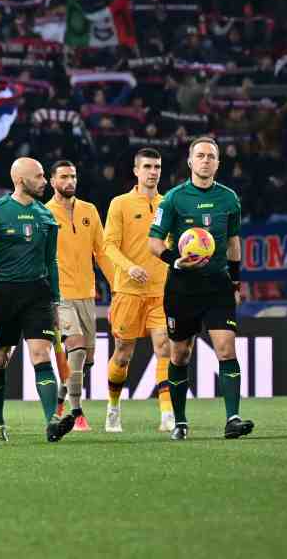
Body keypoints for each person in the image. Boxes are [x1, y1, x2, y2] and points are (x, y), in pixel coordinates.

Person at [148, 137, 253, 441]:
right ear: (191, 162)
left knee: (226, 348)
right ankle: (180, 421)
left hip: (218, 284)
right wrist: (175, 261)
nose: (206, 160)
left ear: (218, 163)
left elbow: (233, 243)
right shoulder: (173, 199)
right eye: (200, 156)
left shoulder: (230, 199)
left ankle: (233, 418)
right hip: (182, 287)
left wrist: (235, 281)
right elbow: (154, 242)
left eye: (211, 156)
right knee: (180, 355)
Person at [0, 158, 74, 443]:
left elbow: (51, 261)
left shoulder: (46, 217)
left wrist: (56, 302)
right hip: (3, 294)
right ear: (20, 179)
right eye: (39, 176)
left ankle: (51, 421)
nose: (45, 181)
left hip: (37, 294)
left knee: (41, 354)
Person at [103, 149, 173, 433]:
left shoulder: (170, 203)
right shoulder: (120, 204)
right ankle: (113, 407)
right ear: (136, 171)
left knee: (165, 347)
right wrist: (129, 267)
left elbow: (174, 241)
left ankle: (167, 413)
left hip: (161, 291)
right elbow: (108, 245)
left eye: (157, 166)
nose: (153, 171)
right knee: (123, 354)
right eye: (147, 166)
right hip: (128, 291)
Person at [44, 160, 116, 433]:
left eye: (73, 176)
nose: (70, 181)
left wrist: (116, 286)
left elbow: (101, 251)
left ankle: (61, 402)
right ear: (52, 181)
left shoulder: (89, 211)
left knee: (86, 359)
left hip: (87, 293)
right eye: (63, 177)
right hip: (59, 295)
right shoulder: (44, 213)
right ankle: (77, 411)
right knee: (74, 345)